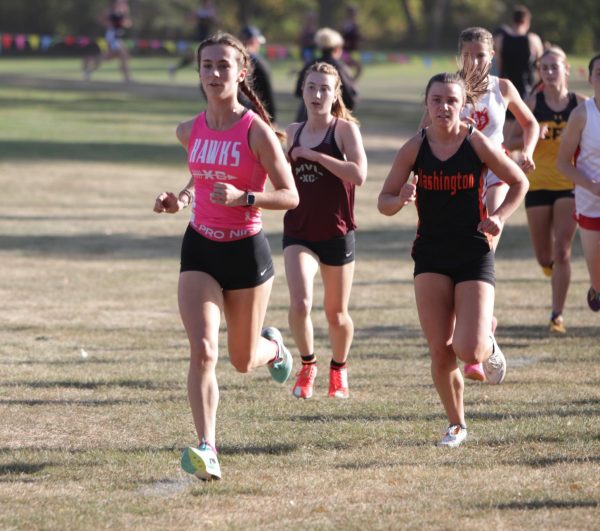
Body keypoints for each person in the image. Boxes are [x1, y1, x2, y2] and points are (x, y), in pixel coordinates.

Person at [153, 32, 299, 480]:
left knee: (240, 360)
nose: (215, 73)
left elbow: (290, 195)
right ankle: (207, 447)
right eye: (207, 66)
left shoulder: (255, 131)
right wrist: (179, 199)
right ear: (198, 72)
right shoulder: (188, 129)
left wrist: (245, 198)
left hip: (245, 251)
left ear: (241, 72)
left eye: (223, 66)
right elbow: (200, 174)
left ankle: (272, 347)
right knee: (203, 351)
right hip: (200, 246)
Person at [378, 71, 529, 447]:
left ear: (463, 107)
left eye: (451, 101)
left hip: (473, 252)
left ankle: (488, 346)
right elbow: (384, 201)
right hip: (430, 254)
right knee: (440, 348)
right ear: (426, 105)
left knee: (468, 349)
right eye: (436, 100)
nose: (443, 107)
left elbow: (519, 182)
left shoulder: (475, 143)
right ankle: (457, 424)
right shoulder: (414, 147)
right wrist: (401, 199)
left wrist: (499, 217)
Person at [456, 27, 539, 381]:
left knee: (482, 247)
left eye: (480, 55)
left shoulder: (502, 87)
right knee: (459, 257)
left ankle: (476, 348)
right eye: (468, 54)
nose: (474, 61)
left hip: (495, 171)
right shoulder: (450, 89)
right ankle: (483, 324)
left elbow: (530, 123)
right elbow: (424, 132)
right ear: (459, 54)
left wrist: (528, 153)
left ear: (492, 57)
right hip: (457, 178)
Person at [284, 62, 367, 399]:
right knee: (301, 303)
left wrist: (315, 157)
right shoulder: (291, 132)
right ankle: (308, 366)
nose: (317, 94)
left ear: (335, 95)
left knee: (336, 314)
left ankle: (339, 368)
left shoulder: (345, 130)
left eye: (324, 89)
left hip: (336, 231)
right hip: (299, 231)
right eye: (311, 87)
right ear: (302, 91)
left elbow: (358, 174)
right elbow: (276, 176)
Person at [508, 47, 586, 333]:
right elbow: (511, 140)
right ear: (539, 72)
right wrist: (533, 135)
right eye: (544, 68)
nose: (550, 72)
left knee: (562, 250)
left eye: (555, 67)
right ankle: (553, 273)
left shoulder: (581, 105)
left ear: (566, 70)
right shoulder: (532, 102)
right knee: (544, 256)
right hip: (537, 183)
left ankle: (557, 315)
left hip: (569, 185)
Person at [557, 54, 600, 313]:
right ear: (590, 77)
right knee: (598, 278)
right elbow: (562, 163)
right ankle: (596, 286)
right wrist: (590, 184)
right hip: (590, 203)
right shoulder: (582, 115)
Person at [493, 5, 544, 136]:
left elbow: (499, 67)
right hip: (526, 90)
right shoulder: (533, 40)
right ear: (527, 22)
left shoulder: (500, 40)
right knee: (526, 129)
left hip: (506, 89)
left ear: (512, 21)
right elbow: (541, 67)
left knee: (507, 133)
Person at [294, 28, 358, 122]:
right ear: (337, 48)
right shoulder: (341, 67)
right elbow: (351, 100)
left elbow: (298, 92)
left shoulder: (310, 65)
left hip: (306, 120)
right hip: (333, 122)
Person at [82, 0, 132, 82]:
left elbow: (127, 23)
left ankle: (89, 64)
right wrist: (109, 24)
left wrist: (125, 23)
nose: (124, 3)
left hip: (118, 37)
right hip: (111, 37)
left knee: (108, 57)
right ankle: (127, 77)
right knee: (123, 55)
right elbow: (100, 19)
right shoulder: (110, 11)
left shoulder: (122, 12)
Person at [168, 0, 219, 78]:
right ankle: (175, 68)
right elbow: (190, 18)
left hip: (206, 38)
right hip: (199, 38)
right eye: (209, 2)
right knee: (195, 57)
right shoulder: (202, 11)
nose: (211, 3)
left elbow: (216, 23)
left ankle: (175, 68)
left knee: (197, 57)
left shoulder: (210, 12)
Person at [240, 26, 276, 123]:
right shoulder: (259, 62)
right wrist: (272, 119)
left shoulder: (232, 59)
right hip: (255, 114)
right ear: (253, 40)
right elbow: (267, 93)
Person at [339, 4, 363, 80]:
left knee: (358, 67)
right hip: (345, 50)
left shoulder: (355, 24)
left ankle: (351, 83)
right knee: (346, 68)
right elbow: (341, 35)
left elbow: (357, 36)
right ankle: (348, 84)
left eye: (355, 12)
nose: (354, 14)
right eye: (353, 12)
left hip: (354, 50)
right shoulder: (346, 24)